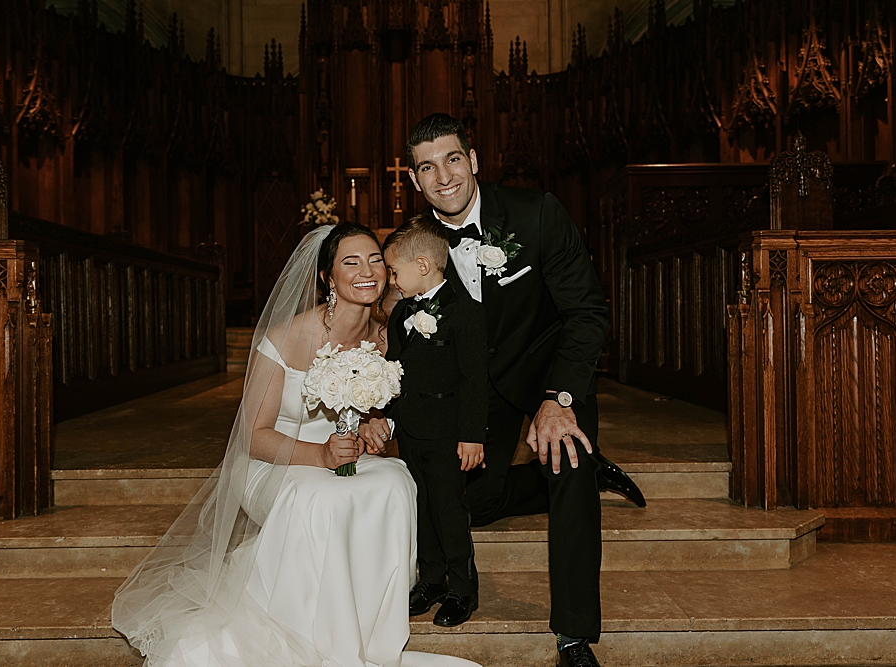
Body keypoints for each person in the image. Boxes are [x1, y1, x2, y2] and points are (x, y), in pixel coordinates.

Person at [112, 224, 477, 667]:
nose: (368, 271)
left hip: (345, 458)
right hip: (275, 460)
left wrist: (374, 425)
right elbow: (253, 435)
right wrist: (319, 455)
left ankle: (370, 624)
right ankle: (316, 636)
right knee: (317, 498)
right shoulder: (290, 337)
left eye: (376, 260)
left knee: (396, 481)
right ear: (327, 277)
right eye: (351, 262)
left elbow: (394, 405)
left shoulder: (389, 334)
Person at [360, 113, 645, 667]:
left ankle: (574, 636)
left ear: (473, 161)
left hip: (547, 373)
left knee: (567, 465)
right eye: (427, 167)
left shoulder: (536, 213)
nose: (443, 176)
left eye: (452, 159)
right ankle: (587, 472)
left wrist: (560, 399)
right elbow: (397, 311)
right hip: (476, 390)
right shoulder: (416, 242)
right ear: (415, 180)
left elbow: (586, 311)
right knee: (463, 499)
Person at [381, 218, 489, 628]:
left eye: (395, 271)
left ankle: (462, 587)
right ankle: (430, 581)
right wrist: (390, 421)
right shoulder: (401, 314)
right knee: (421, 505)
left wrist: (471, 436)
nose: (391, 280)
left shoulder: (467, 314)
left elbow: (475, 380)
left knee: (447, 508)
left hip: (448, 432)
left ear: (423, 265)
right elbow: (395, 372)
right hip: (410, 429)